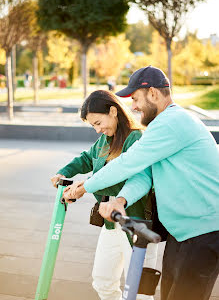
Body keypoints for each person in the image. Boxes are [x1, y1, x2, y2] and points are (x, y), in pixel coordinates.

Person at [70, 66, 219, 300]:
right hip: (182, 233)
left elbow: (128, 162)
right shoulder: (161, 127)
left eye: (136, 99)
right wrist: (121, 200)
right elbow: (142, 174)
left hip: (203, 231)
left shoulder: (172, 122)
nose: (134, 106)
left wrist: (84, 186)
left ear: (153, 93)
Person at [50, 90, 158, 300]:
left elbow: (127, 180)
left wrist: (86, 187)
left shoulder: (135, 138)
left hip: (136, 223)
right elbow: (86, 158)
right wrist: (64, 172)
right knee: (103, 282)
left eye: (99, 122)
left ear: (113, 111)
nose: (98, 129)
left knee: (139, 292)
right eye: (93, 126)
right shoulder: (104, 141)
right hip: (111, 223)